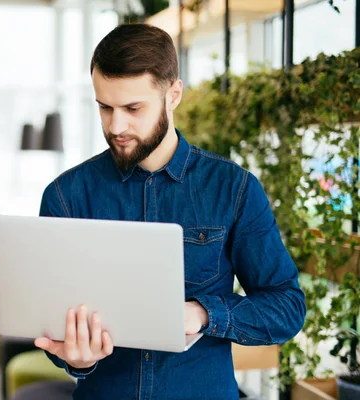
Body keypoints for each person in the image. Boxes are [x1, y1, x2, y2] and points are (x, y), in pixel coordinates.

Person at [33, 24, 306, 400]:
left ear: (173, 94)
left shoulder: (234, 188)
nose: (117, 126)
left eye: (133, 108)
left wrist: (203, 314)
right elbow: (56, 322)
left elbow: (286, 306)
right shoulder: (66, 197)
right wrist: (77, 361)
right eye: (105, 107)